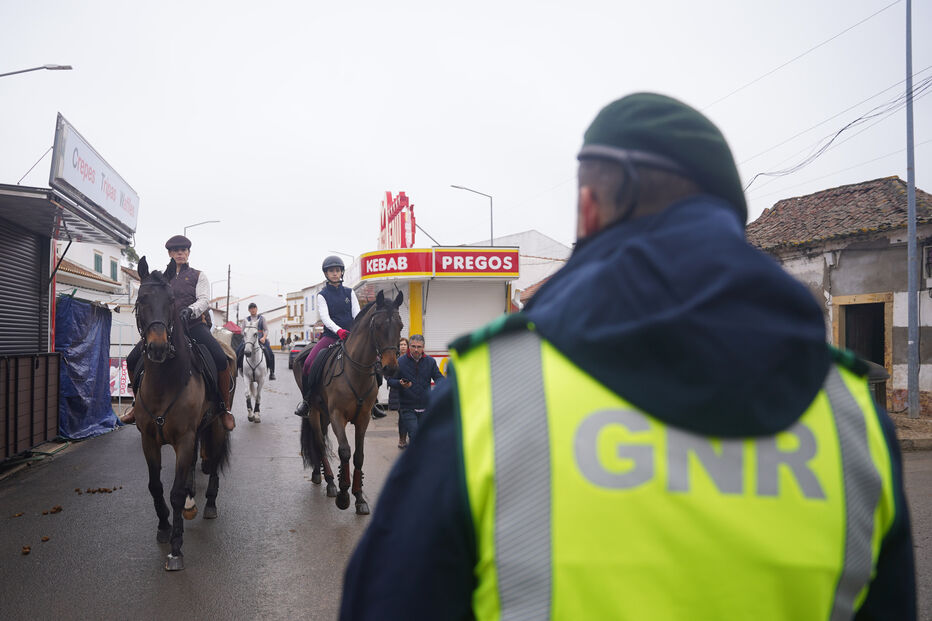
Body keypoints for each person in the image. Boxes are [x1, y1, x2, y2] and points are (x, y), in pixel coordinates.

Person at [340, 93, 916, 619]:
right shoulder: (852, 421)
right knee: (326, 357)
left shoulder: (500, 392)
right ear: (729, 217)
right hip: (335, 328)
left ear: (589, 207)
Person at [120, 235, 236, 431]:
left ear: (188, 253)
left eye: (183, 250)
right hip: (166, 329)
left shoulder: (199, 276)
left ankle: (224, 408)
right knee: (132, 359)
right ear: (170, 254)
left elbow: (204, 300)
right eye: (176, 251)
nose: (180, 253)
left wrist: (190, 310)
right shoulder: (163, 277)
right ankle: (135, 404)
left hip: (193, 326)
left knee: (220, 357)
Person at [293, 256, 361, 417]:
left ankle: (374, 403)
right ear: (326, 273)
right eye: (331, 271)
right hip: (331, 337)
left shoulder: (350, 292)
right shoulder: (322, 295)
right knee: (309, 364)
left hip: (351, 337)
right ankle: (307, 401)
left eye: (337, 270)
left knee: (374, 361)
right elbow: (325, 317)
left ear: (341, 272)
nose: (335, 273)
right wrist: (338, 331)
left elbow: (357, 314)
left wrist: (355, 330)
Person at [385, 334, 442, 444]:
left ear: (423, 347)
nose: (416, 349)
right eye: (413, 346)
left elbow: (438, 377)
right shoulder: (400, 362)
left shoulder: (430, 362)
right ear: (409, 346)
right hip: (407, 406)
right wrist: (400, 383)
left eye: (419, 347)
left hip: (425, 406)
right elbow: (390, 381)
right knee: (414, 434)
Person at [235, 302, 276, 380]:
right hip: (248, 339)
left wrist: (264, 337)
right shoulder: (246, 320)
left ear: (256, 309)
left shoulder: (262, 318)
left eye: (254, 308)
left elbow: (266, 330)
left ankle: (272, 372)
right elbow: (242, 331)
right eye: (251, 308)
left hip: (260, 337)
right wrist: (246, 337)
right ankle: (236, 369)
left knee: (270, 353)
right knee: (238, 351)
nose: (253, 310)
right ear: (249, 310)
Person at [390, 337, 409, 448]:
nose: (402, 346)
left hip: (410, 391)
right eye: (401, 344)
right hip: (397, 391)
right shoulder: (393, 360)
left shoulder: (411, 359)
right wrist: (398, 382)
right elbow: (388, 376)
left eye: (404, 344)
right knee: (402, 416)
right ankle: (402, 439)